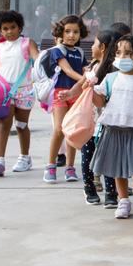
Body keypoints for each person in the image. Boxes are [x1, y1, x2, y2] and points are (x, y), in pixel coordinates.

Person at [91, 34, 133, 219]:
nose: (122, 57)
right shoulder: (110, 78)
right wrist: (89, 89)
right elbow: (99, 102)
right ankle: (123, 200)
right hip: (113, 129)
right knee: (117, 167)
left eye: (128, 53)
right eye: (119, 52)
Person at [0, 10, 41, 177]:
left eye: (13, 27)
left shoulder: (27, 43)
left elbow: (37, 59)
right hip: (4, 91)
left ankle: (25, 157)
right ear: (0, 30)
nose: (9, 31)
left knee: (21, 125)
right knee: (3, 124)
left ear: (20, 27)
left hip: (25, 90)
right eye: (5, 28)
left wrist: (42, 59)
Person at [42, 15, 90, 184]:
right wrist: (86, 79)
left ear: (80, 34)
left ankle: (70, 167)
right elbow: (68, 71)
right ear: (60, 32)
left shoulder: (80, 52)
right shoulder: (57, 50)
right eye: (67, 31)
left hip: (76, 94)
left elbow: (86, 69)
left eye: (75, 32)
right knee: (59, 130)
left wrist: (89, 74)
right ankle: (50, 166)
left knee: (71, 131)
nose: (71, 35)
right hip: (60, 93)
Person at [81, 29, 123, 206]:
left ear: (103, 47)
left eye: (94, 43)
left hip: (104, 122)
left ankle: (110, 193)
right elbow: (80, 85)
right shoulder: (92, 67)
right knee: (89, 155)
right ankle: (90, 188)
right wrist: (69, 94)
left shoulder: (112, 71)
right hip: (90, 121)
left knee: (105, 156)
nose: (91, 47)